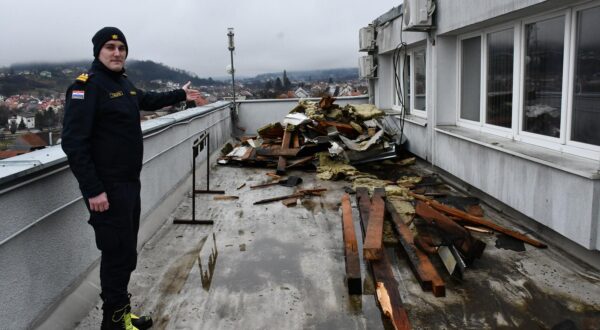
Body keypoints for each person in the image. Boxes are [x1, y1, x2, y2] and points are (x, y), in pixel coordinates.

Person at [61, 27, 203, 330]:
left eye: (121, 47)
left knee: (125, 252)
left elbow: (147, 99)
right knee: (115, 252)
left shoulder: (122, 82)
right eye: (110, 47)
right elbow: (74, 144)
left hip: (128, 184)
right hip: (105, 189)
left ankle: (120, 312)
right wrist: (94, 190)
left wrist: (180, 94)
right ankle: (113, 323)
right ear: (98, 51)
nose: (117, 52)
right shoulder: (86, 87)